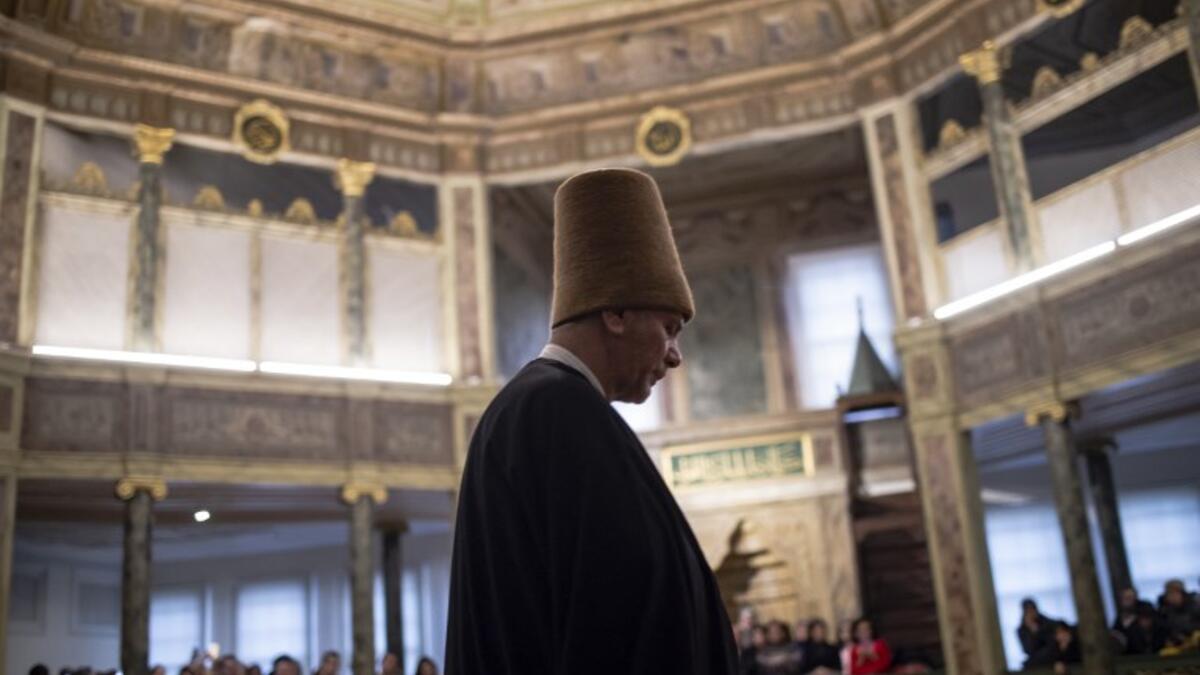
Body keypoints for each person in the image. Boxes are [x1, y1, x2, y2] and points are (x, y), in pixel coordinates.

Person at [444, 168, 739, 675]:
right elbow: (610, 625)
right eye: (669, 329)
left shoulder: (553, 409)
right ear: (617, 312)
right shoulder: (554, 412)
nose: (675, 357)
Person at [1017, 598, 1057, 669]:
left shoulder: (1047, 623)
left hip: (1052, 656)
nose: (1031, 613)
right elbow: (1027, 650)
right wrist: (1032, 632)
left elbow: (1051, 642)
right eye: (1028, 611)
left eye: (1032, 609)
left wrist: (1038, 631)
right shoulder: (1022, 629)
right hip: (1036, 659)